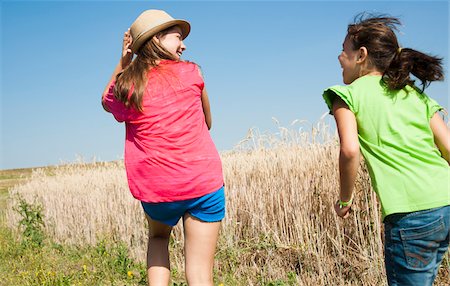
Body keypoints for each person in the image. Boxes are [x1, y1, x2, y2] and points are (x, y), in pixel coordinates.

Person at [322, 14, 450, 286]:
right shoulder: (412, 93)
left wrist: (345, 200)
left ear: (361, 55)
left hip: (411, 213)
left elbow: (349, 151)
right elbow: (448, 147)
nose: (339, 57)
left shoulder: (346, 96)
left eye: (344, 50)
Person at [101, 10, 225, 285]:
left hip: (158, 188)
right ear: (157, 38)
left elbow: (106, 100)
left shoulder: (128, 85)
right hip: (203, 181)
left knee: (158, 237)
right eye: (178, 37)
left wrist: (124, 60)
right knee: (201, 274)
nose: (184, 44)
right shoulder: (193, 71)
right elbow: (208, 122)